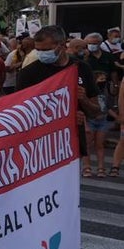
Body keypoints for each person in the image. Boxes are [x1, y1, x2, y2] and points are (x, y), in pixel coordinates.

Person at [16, 25, 102, 174]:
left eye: (46, 50)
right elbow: (20, 115)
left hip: (71, 145)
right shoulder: (28, 74)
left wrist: (84, 101)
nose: (42, 54)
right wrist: (64, 117)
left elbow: (96, 111)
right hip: (40, 148)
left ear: (62, 45)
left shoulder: (81, 68)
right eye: (38, 50)